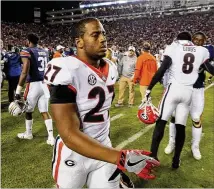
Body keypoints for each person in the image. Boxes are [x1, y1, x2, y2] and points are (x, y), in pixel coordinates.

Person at [44, 18, 159, 188]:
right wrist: (120, 157)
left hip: (104, 147)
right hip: (73, 154)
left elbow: (103, 115)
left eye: (103, 34)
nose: (103, 39)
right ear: (79, 42)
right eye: (95, 35)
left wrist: (110, 152)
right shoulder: (66, 69)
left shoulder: (111, 68)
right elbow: (69, 134)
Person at [144, 32, 214, 168]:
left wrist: (149, 88)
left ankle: (154, 156)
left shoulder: (174, 47)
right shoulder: (202, 51)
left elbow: (162, 69)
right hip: (187, 92)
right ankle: (176, 158)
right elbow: (209, 68)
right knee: (180, 125)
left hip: (177, 89)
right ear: (191, 40)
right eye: (195, 39)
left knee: (162, 122)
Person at [164, 32, 214, 160]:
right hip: (182, 87)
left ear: (204, 41)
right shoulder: (183, 48)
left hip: (197, 89)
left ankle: (195, 146)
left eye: (201, 40)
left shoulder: (207, 50)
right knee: (175, 117)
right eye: (195, 39)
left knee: (196, 118)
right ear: (192, 40)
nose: (198, 42)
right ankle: (172, 142)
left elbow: (209, 67)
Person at [14, 33, 55, 146]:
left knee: (28, 110)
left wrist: (18, 91)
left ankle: (28, 133)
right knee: (44, 111)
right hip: (45, 83)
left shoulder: (26, 51)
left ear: (28, 41)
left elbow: (25, 70)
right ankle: (51, 137)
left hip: (33, 84)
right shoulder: (45, 51)